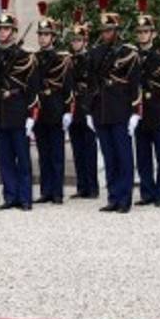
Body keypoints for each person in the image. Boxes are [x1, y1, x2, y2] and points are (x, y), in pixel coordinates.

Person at [0, 0, 39, 211]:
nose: (2, 32)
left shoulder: (26, 57)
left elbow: (33, 88)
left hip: (18, 110)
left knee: (23, 159)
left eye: (6, 29)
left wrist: (31, 116)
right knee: (5, 160)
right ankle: (10, 196)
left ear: (14, 32)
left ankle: (25, 198)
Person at [89, 0, 139, 214]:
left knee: (124, 157)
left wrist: (135, 112)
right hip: (101, 110)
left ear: (117, 30)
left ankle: (125, 199)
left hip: (120, 111)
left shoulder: (129, 52)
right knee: (109, 157)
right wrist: (89, 111)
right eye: (104, 31)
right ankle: (112, 197)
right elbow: (91, 83)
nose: (106, 34)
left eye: (110, 30)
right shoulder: (95, 53)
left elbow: (135, 84)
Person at [132, 0, 160, 207]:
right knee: (142, 156)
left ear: (154, 34)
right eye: (139, 32)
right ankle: (147, 192)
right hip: (139, 113)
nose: (142, 35)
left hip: (158, 110)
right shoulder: (130, 57)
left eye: (146, 31)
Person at [31, 3, 72, 205]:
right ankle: (45, 190)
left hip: (56, 108)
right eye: (40, 34)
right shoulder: (34, 58)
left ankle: (57, 192)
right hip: (40, 110)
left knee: (56, 154)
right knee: (43, 154)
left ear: (53, 37)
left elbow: (68, 87)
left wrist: (68, 110)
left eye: (46, 34)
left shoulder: (62, 58)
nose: (42, 38)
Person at [65, 12, 100, 200]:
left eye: (79, 40)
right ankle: (82, 186)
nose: (75, 43)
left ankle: (92, 187)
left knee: (89, 149)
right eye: (73, 40)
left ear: (85, 41)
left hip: (86, 107)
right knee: (77, 149)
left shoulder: (90, 58)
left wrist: (89, 109)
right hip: (74, 108)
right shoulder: (69, 60)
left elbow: (92, 84)